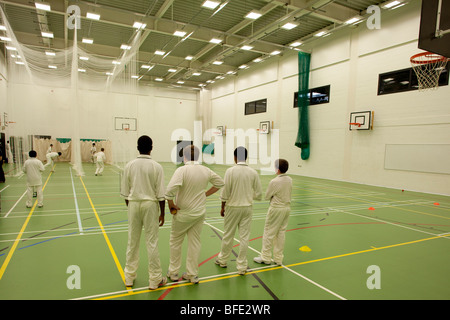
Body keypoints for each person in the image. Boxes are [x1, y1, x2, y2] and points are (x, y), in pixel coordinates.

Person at [165, 145, 224, 284]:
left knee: (175, 242)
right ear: (197, 156)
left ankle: (173, 273)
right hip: (199, 213)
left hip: (182, 214)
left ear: (184, 156)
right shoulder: (205, 170)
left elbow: (169, 191)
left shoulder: (182, 170)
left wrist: (170, 204)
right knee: (195, 243)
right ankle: (193, 274)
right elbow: (220, 183)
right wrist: (205, 194)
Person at [120, 135, 166, 290]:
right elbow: (161, 193)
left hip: (133, 204)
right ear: (151, 148)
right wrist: (162, 213)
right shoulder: (157, 166)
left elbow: (125, 193)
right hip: (150, 205)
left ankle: (129, 278)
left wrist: (132, 206)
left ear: (137, 147)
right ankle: (155, 280)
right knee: (151, 243)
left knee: (132, 241)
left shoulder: (129, 165)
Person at [215, 147, 262, 275]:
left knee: (228, 235)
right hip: (247, 208)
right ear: (246, 157)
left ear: (235, 157)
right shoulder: (253, 172)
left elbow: (225, 191)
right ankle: (242, 267)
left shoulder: (230, 171)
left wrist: (222, 206)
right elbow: (259, 194)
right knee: (244, 237)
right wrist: (247, 196)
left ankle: (223, 260)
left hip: (232, 208)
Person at [253, 159, 292, 266]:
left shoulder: (274, 181)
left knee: (269, 233)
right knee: (281, 233)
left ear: (277, 169)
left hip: (276, 209)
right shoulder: (289, 179)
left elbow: (267, 196)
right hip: (286, 209)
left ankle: (265, 257)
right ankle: (278, 259)